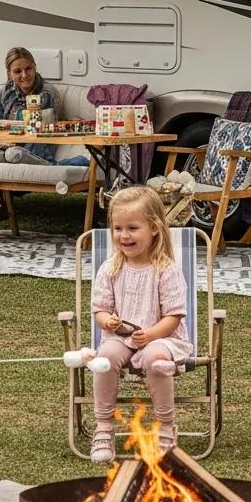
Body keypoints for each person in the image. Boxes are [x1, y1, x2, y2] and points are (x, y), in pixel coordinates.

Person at [90, 186, 192, 463]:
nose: (124, 235)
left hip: (162, 337)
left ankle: (166, 427)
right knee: (106, 357)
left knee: (156, 358)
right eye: (118, 228)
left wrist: (150, 335)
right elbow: (100, 309)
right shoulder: (110, 268)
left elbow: (174, 316)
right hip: (120, 338)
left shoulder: (166, 269)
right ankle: (104, 427)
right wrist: (106, 319)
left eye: (133, 228)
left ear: (154, 228)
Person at [0, 46, 88, 168]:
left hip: (35, 146)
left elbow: (39, 126)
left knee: (14, 153)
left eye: (28, 69)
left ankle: (64, 164)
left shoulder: (47, 94)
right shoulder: (4, 94)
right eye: (17, 71)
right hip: (6, 146)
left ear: (34, 67)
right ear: (9, 73)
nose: (24, 75)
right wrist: (0, 140)